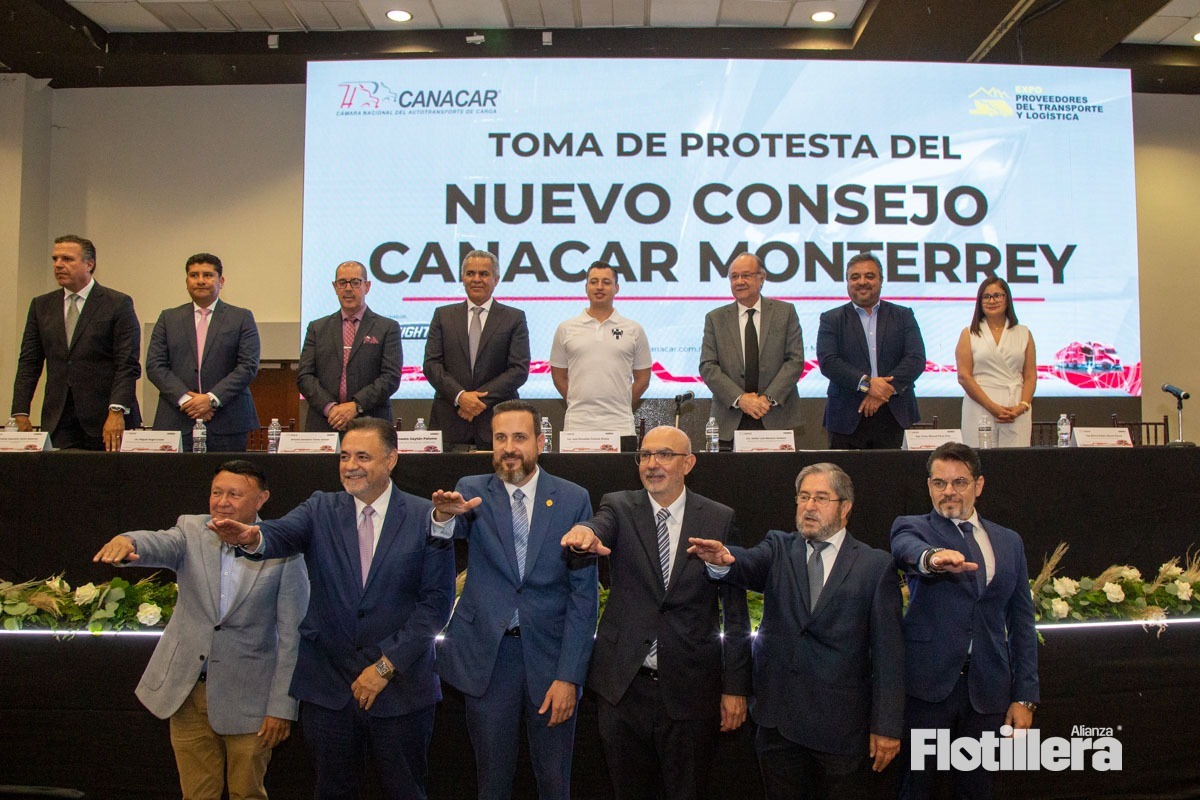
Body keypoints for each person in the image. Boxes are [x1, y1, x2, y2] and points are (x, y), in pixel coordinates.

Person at [208, 417, 456, 800]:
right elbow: (280, 533)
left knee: (405, 791)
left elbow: (435, 607)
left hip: (401, 690)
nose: (350, 466)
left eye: (362, 457)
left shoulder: (428, 516)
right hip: (329, 690)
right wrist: (252, 537)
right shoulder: (320, 507)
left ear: (391, 459)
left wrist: (384, 668)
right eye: (344, 456)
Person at [93, 460, 308, 800]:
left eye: (234, 494)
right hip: (187, 693)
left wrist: (282, 706)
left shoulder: (283, 548)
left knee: (247, 793)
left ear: (261, 499)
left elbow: (293, 635)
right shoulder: (192, 530)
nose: (222, 502)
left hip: (250, 699)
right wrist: (128, 540)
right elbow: (158, 542)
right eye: (216, 492)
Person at [687, 463, 904, 800]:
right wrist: (723, 558)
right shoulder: (779, 547)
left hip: (842, 729)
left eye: (821, 498)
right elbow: (747, 563)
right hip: (780, 724)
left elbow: (890, 654)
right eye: (803, 497)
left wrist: (887, 726)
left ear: (845, 507)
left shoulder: (875, 566)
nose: (809, 506)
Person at [559, 425, 751, 800]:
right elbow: (598, 527)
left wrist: (735, 687)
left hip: (691, 690)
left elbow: (736, 611)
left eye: (664, 455)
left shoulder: (718, 518)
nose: (651, 464)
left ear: (688, 463)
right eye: (645, 455)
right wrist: (585, 533)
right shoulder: (618, 506)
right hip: (623, 688)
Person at [430, 400, 598, 799]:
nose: (508, 448)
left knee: (554, 783)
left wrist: (569, 676)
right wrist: (443, 518)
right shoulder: (472, 490)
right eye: (500, 438)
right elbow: (444, 537)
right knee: (492, 783)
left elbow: (583, 595)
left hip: (551, 660)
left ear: (540, 442)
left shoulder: (572, 497)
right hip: (489, 660)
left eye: (519, 437)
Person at [890, 442, 1039, 800]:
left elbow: (1022, 623)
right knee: (917, 788)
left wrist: (1025, 697)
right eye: (939, 483)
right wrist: (933, 558)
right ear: (929, 487)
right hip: (928, 689)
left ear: (978, 485)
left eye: (959, 482)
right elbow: (907, 550)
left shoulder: (1009, 541)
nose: (949, 491)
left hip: (987, 692)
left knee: (977, 790)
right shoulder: (913, 527)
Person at [11, 234, 142, 450]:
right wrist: (20, 411)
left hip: (106, 419)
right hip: (59, 418)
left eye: (67, 259)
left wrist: (116, 410)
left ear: (89, 264)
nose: (58, 265)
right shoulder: (41, 305)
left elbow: (127, 364)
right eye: (55, 259)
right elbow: (29, 363)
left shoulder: (117, 303)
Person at [146, 253, 261, 451]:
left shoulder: (241, 317)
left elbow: (248, 366)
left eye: (208, 275)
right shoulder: (168, 318)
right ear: (186, 282)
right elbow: (155, 366)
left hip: (227, 421)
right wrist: (187, 401)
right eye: (194, 275)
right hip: (177, 419)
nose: (200, 281)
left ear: (221, 281)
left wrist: (211, 400)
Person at [816, 252, 926, 449]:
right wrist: (868, 385)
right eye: (855, 277)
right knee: (842, 471)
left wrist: (882, 391)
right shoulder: (831, 319)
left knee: (895, 471)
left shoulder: (903, 315)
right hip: (846, 418)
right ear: (847, 282)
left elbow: (916, 359)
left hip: (895, 414)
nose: (862, 282)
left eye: (869, 276)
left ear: (881, 280)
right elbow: (829, 362)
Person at [423, 250, 531, 448]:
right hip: (450, 421)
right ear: (463, 278)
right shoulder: (443, 316)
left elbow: (518, 370)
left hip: (497, 422)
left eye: (484, 274)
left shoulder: (514, 318)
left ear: (496, 279)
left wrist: (476, 401)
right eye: (470, 273)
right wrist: (460, 397)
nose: (476, 279)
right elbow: (432, 365)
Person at [698, 253, 804, 447]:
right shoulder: (715, 318)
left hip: (775, 415)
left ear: (762, 278)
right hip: (730, 418)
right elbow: (708, 366)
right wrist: (741, 399)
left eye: (746, 275)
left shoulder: (785, 312)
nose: (739, 282)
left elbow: (794, 361)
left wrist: (767, 399)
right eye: (734, 277)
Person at [549, 261, 651, 441]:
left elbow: (643, 379)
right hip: (577, 424)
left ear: (616, 288)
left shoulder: (634, 329)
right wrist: (579, 402)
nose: (599, 287)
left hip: (620, 424)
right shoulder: (566, 328)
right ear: (586, 287)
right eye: (594, 282)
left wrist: (621, 404)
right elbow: (558, 377)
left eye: (606, 282)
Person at [296, 260, 401, 432]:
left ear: (367, 286)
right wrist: (331, 408)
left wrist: (356, 406)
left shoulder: (387, 327)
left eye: (355, 282)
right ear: (335, 287)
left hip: (371, 423)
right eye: (342, 282)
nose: (348, 288)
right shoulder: (317, 328)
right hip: (325, 422)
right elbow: (304, 376)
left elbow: (391, 377)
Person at [956, 278, 1036, 447]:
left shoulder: (1024, 333)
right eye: (986, 297)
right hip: (979, 406)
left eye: (997, 295)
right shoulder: (969, 333)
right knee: (978, 457)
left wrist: (1022, 406)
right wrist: (992, 407)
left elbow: (1030, 376)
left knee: (1015, 459)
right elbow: (964, 376)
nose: (991, 301)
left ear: (1007, 299)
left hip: (1015, 408)